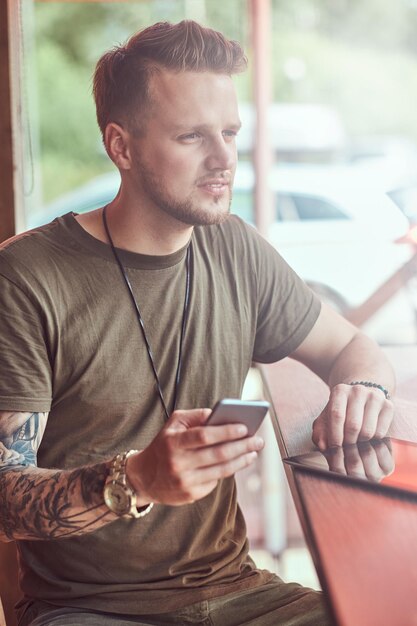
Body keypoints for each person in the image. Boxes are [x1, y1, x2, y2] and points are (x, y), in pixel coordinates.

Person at [0, 20, 394, 626]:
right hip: (91, 609)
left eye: (230, 133)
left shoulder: (235, 246)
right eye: (191, 137)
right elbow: (5, 495)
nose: (224, 159)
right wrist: (136, 479)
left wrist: (365, 389)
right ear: (121, 146)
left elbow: (353, 347)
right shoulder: (26, 275)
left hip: (239, 592)